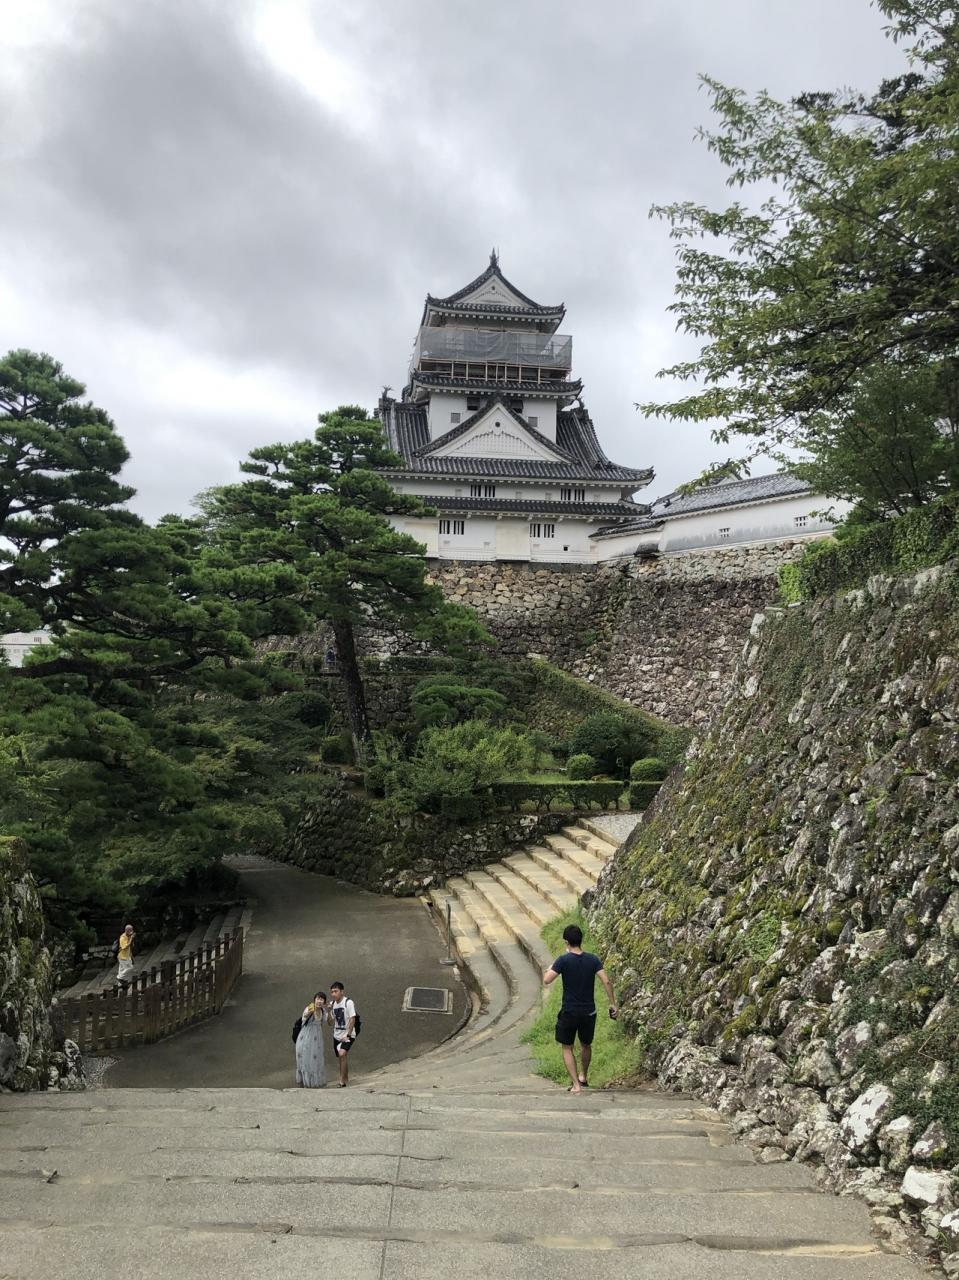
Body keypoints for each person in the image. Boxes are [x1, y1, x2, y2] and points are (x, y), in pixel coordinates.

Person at [543, 923, 617, 1095]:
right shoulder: (593, 959)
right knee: (586, 1044)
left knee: (567, 1047)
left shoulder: (563, 960)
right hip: (589, 1011)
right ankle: (583, 1075)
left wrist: (553, 965)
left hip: (569, 1011)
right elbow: (606, 981)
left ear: (566, 942)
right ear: (581, 940)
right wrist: (613, 1003)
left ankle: (576, 1085)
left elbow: (547, 979)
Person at [295, 991, 328, 1088]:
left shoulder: (322, 1011)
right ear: (314, 1000)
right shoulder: (310, 1007)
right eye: (318, 999)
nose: (319, 1001)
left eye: (322, 999)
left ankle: (313, 1082)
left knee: (315, 1060)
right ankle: (305, 1083)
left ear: (324, 1002)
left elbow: (328, 1021)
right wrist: (311, 1010)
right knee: (305, 1059)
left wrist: (330, 1011)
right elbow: (305, 1015)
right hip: (306, 1038)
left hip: (317, 1040)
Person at [328, 981, 356, 1087]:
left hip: (348, 1034)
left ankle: (342, 1081)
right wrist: (329, 1011)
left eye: (336, 991)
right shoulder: (332, 1004)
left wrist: (348, 1035)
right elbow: (330, 1023)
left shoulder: (348, 1002)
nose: (333, 994)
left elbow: (352, 1019)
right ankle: (345, 1077)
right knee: (341, 1057)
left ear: (342, 991)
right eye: (332, 992)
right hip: (337, 1035)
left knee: (342, 1054)